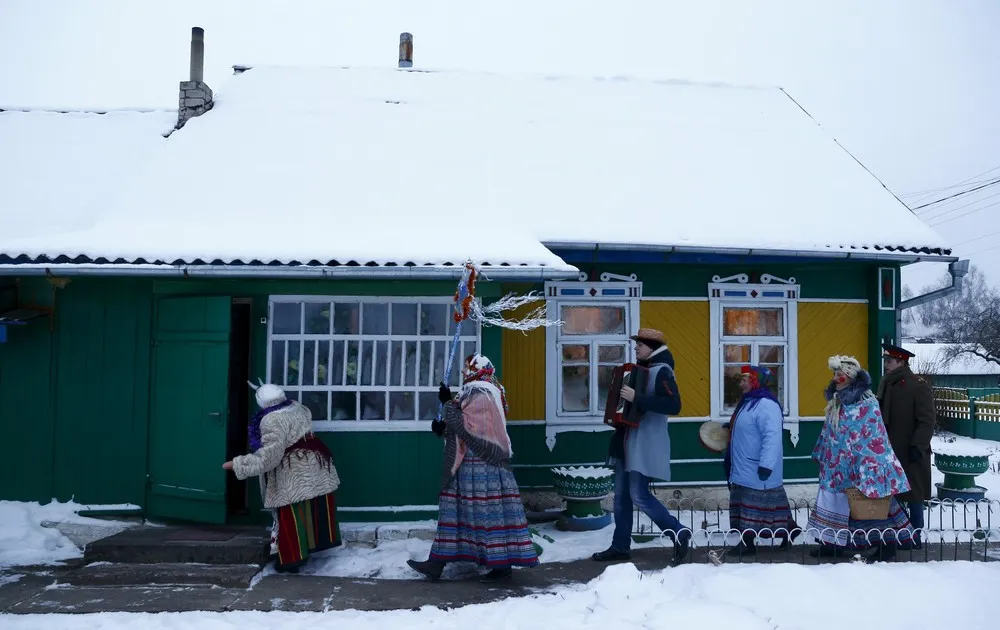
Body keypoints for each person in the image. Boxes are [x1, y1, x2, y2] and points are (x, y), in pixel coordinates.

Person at [407, 354, 538, 583]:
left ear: (476, 370)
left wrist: (447, 403)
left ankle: (500, 565)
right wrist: (444, 429)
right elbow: (461, 426)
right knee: (458, 512)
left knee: (485, 515)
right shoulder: (478, 391)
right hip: (472, 464)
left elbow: (468, 429)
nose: (463, 373)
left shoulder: (484, 393)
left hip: (483, 466)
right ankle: (436, 563)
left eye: (467, 369)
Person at [591, 328, 690, 567]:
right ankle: (620, 547)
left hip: (644, 443)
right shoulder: (640, 371)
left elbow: (674, 405)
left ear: (651, 348)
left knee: (639, 495)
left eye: (640, 345)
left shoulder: (662, 371)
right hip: (626, 441)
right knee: (621, 498)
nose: (635, 348)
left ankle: (679, 532)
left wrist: (637, 398)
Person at [806, 356, 915, 562]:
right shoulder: (836, 401)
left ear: (851, 378)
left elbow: (873, 433)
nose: (837, 379)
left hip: (862, 463)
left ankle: (886, 544)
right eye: (835, 375)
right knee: (834, 502)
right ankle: (832, 544)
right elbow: (831, 429)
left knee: (871, 504)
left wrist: (866, 461)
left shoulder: (867, 401)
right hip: (835, 464)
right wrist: (822, 451)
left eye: (841, 375)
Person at [224, 382, 341, 573]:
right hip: (315, 462)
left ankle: (291, 561)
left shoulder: (271, 420)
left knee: (291, 512)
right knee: (308, 509)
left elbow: (269, 457)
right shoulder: (297, 407)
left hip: (293, 470)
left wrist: (237, 464)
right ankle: (309, 549)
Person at [722, 365, 800, 557]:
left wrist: (766, 465)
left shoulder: (766, 404)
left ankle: (747, 544)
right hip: (745, 465)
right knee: (766, 505)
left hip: (756, 466)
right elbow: (748, 425)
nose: (740, 384)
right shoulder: (749, 402)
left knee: (753, 506)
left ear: (756, 381)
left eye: (745, 380)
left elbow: (771, 436)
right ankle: (789, 530)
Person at [877, 342, 935, 548]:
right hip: (891, 450)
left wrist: (917, 447)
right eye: (886, 361)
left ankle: (915, 537)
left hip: (912, 451)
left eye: (890, 361)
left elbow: (927, 421)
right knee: (895, 495)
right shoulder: (887, 383)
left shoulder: (917, 385)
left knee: (914, 496)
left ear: (901, 362)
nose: (886, 365)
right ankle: (898, 535)